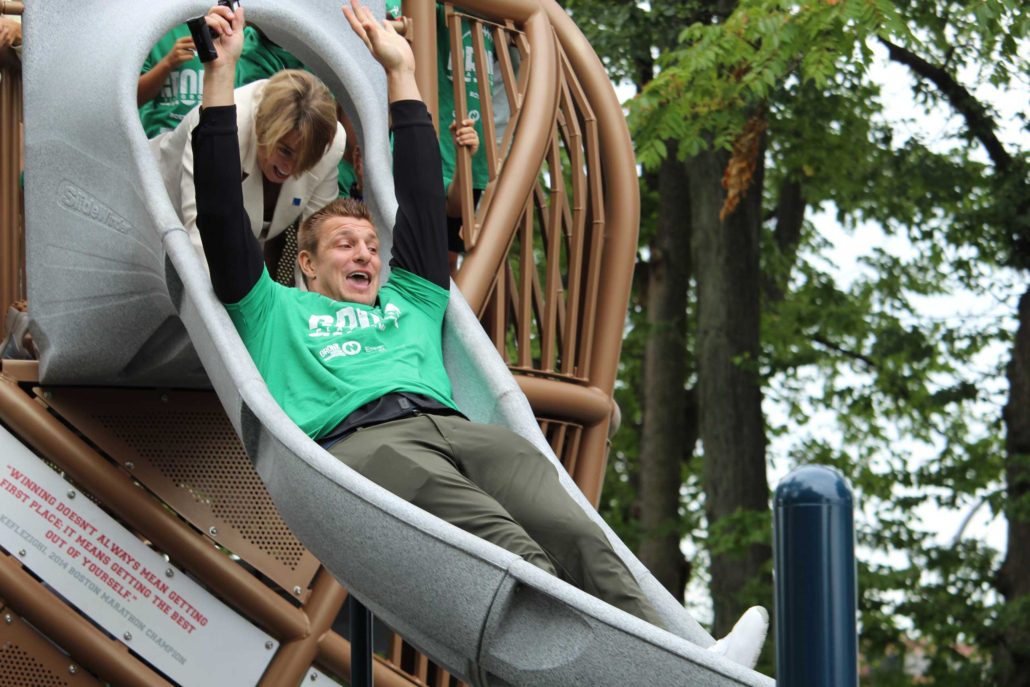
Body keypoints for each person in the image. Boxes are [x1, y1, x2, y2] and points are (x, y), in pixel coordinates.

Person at [191, 0, 767, 668]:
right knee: (512, 555)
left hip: (457, 427)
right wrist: (219, 74)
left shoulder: (410, 296)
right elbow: (219, 208)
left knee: (575, 533)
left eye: (371, 245)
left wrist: (401, 72)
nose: (365, 255)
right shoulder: (269, 308)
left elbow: (415, 187)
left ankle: (695, 664)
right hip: (364, 442)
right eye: (344, 244)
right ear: (308, 263)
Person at [152, 52, 346, 280]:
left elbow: (317, 248)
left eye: (306, 157)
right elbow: (203, 237)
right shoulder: (222, 128)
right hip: (149, 206)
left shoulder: (329, 146)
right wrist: (219, 315)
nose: (292, 166)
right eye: (285, 150)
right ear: (261, 127)